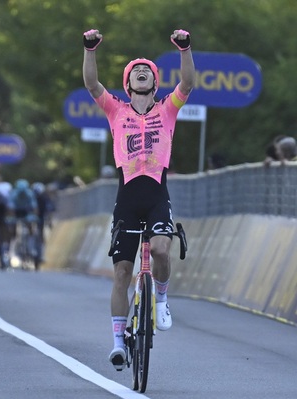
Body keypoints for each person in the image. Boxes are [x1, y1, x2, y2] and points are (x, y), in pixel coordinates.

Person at [83, 28, 195, 370]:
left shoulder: (167, 110)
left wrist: (185, 48)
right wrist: (89, 49)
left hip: (157, 193)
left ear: (154, 82)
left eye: (147, 69)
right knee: (121, 273)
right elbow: (91, 84)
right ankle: (118, 342)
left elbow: (188, 83)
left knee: (161, 249)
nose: (141, 70)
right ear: (128, 82)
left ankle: (161, 299)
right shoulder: (116, 110)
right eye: (135, 70)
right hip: (127, 198)